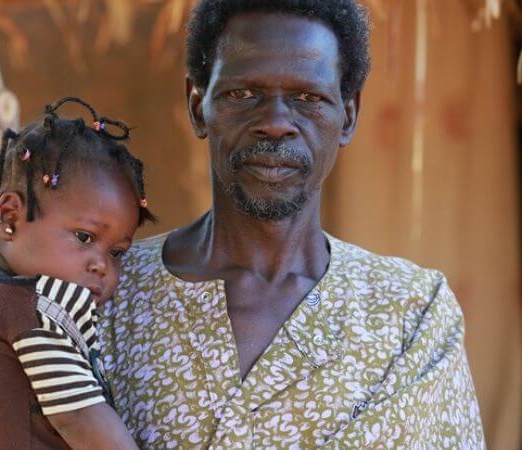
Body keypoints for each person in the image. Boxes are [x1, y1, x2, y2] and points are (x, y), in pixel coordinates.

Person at [99, 1, 486, 448]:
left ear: (349, 114)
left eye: (308, 98)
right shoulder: (108, 294)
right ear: (197, 105)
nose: (276, 124)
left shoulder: (412, 314)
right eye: (244, 94)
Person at [0, 97, 153, 449]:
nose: (101, 265)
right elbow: (76, 415)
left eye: (117, 252)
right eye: (84, 237)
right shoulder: (31, 308)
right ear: (9, 217)